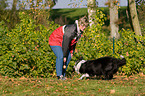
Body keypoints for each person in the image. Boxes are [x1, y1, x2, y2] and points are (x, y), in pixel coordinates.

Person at [49, 16, 88, 80]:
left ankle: (63, 75)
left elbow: (74, 42)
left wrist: (71, 52)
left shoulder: (79, 31)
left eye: (85, 26)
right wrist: (64, 56)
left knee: (69, 56)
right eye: (83, 26)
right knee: (61, 56)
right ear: (80, 24)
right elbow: (65, 43)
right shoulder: (71, 30)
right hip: (55, 39)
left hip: (63, 42)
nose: (84, 28)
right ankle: (59, 75)